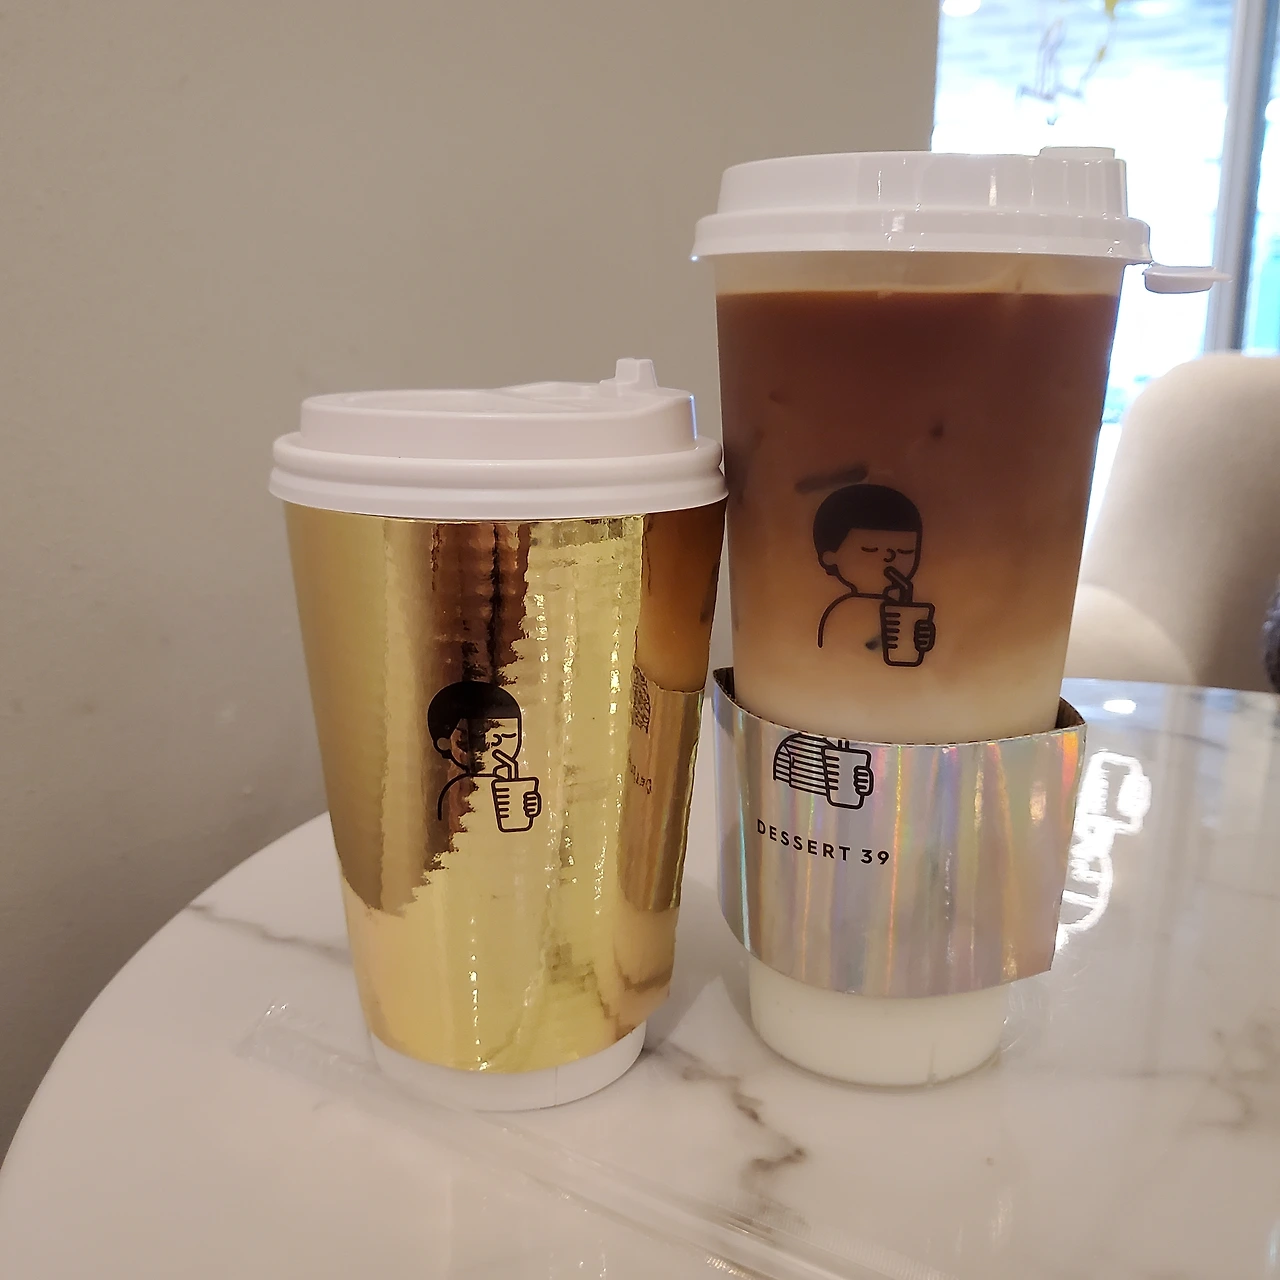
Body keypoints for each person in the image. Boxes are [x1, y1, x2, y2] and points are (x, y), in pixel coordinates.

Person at [814, 483, 937, 663]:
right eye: (870, 550)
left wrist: (921, 639)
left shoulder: (898, 606)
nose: (890, 558)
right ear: (830, 557)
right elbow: (838, 656)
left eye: (905, 552)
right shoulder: (847, 611)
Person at [428, 681, 542, 823]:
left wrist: (529, 810)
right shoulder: (453, 792)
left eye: (506, 735)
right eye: (478, 735)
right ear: (444, 745)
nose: (494, 742)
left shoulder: (515, 782)